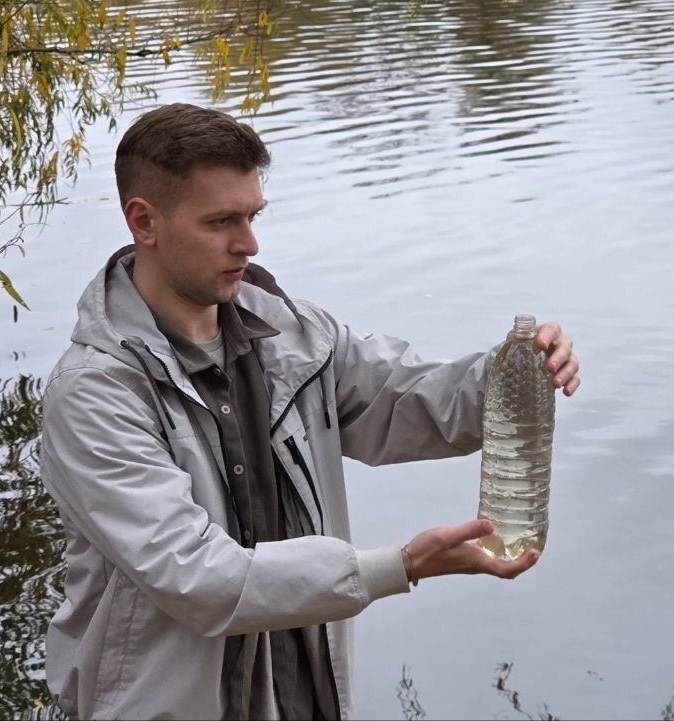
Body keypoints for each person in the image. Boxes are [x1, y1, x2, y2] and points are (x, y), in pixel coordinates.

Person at [38, 102, 581, 720]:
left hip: (306, 699)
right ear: (144, 221)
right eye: (220, 221)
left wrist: (513, 373)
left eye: (252, 215)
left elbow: (406, 402)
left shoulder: (295, 335)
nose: (248, 242)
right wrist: (399, 566)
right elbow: (197, 577)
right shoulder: (94, 396)